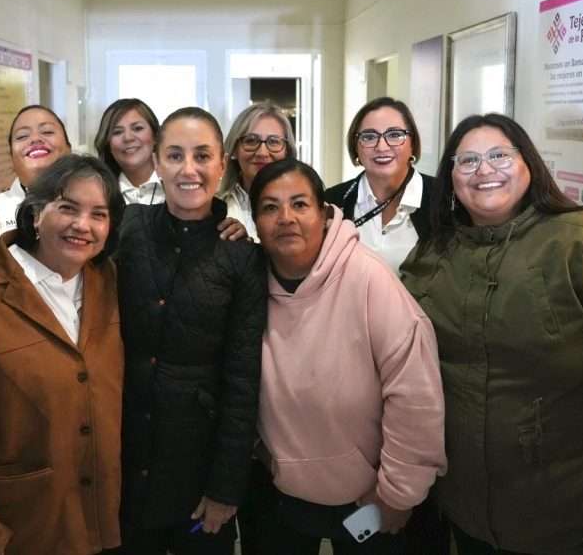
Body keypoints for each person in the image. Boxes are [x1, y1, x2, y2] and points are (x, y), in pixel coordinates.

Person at [400, 114, 583, 555]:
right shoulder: (436, 250)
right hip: (467, 506)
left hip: (569, 509)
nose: (484, 170)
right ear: (450, 177)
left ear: (528, 163)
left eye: (498, 156)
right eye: (467, 160)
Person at [240, 159, 445, 555]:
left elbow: (415, 395)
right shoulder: (248, 282)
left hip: (369, 496)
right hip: (281, 488)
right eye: (270, 207)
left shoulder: (368, 279)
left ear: (324, 212)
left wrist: (398, 494)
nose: (285, 218)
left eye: (299, 204)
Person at [0, 154, 124, 555]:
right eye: (68, 208)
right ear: (35, 214)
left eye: (99, 214)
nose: (83, 225)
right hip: (23, 526)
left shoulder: (110, 283)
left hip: (101, 518)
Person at [116, 107, 267, 554]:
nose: (189, 170)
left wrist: (226, 488)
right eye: (175, 155)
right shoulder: (129, 228)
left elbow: (243, 380)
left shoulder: (241, 257)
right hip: (125, 458)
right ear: (157, 163)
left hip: (197, 467)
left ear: (223, 164)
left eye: (203, 156)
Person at [324, 97, 433, 273]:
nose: (382, 147)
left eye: (395, 135)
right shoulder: (333, 201)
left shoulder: (443, 199)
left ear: (413, 144)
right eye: (369, 137)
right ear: (356, 147)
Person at [219, 102, 296, 241]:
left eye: (273, 142)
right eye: (250, 140)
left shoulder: (307, 206)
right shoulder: (211, 205)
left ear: (287, 152)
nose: (262, 152)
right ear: (234, 150)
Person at [0, 104, 72, 234]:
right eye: (22, 136)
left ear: (69, 149)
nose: (35, 139)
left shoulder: (95, 201)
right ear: (11, 157)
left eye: (47, 131)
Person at [94, 97, 164, 205]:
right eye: (117, 132)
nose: (128, 138)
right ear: (107, 144)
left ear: (155, 136)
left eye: (137, 128)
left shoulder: (175, 185)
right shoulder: (97, 193)